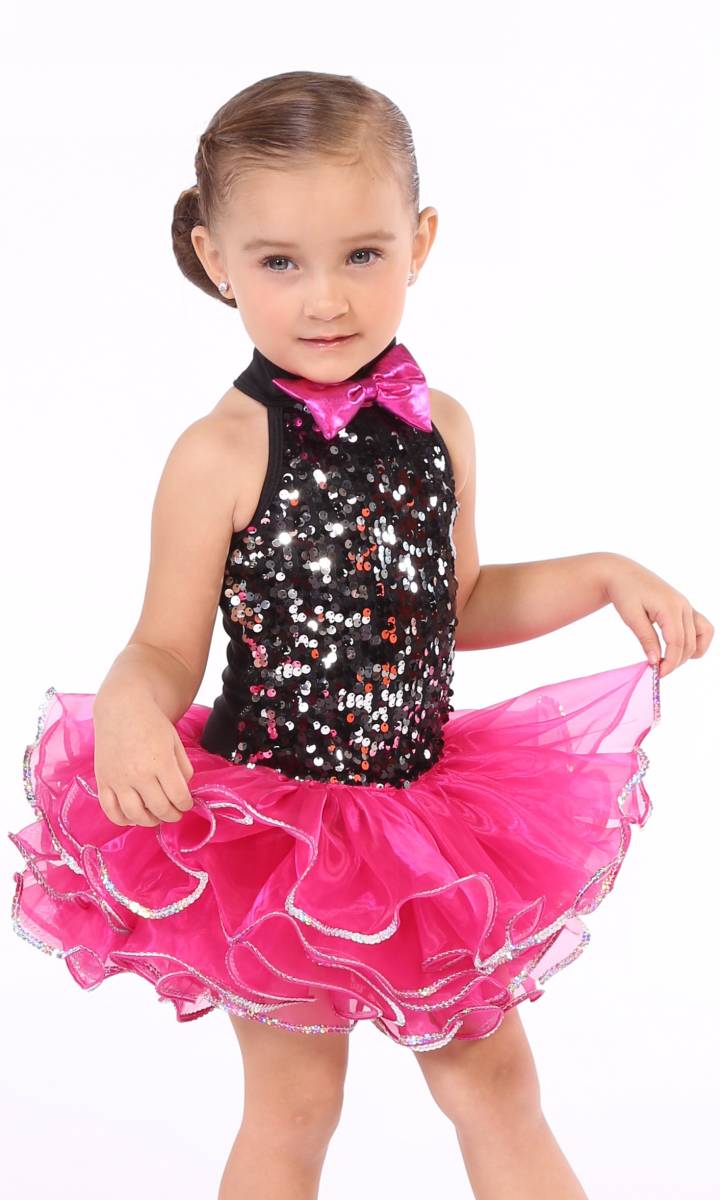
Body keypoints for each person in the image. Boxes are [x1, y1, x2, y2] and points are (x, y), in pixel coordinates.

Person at [8, 69, 713, 1200]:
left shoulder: (443, 427)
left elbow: (455, 604)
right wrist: (132, 705)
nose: (326, 299)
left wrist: (600, 574)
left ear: (420, 243)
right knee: (296, 1105)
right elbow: (164, 648)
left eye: (363, 254)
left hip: (426, 827)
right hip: (276, 833)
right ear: (215, 258)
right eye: (280, 262)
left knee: (495, 1084)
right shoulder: (219, 453)